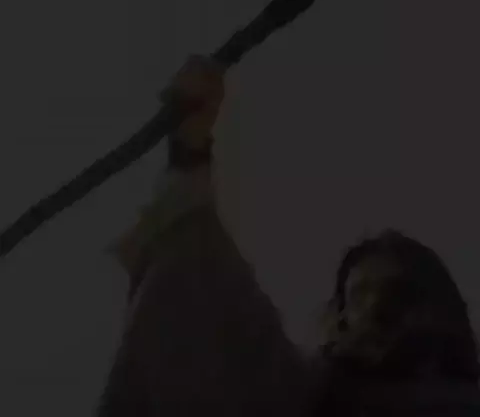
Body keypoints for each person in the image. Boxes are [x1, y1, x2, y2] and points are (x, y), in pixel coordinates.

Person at [96, 55, 480, 416]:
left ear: (440, 306)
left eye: (399, 293)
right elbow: (208, 291)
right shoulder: (315, 395)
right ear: (341, 315)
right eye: (359, 296)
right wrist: (189, 150)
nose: (377, 309)